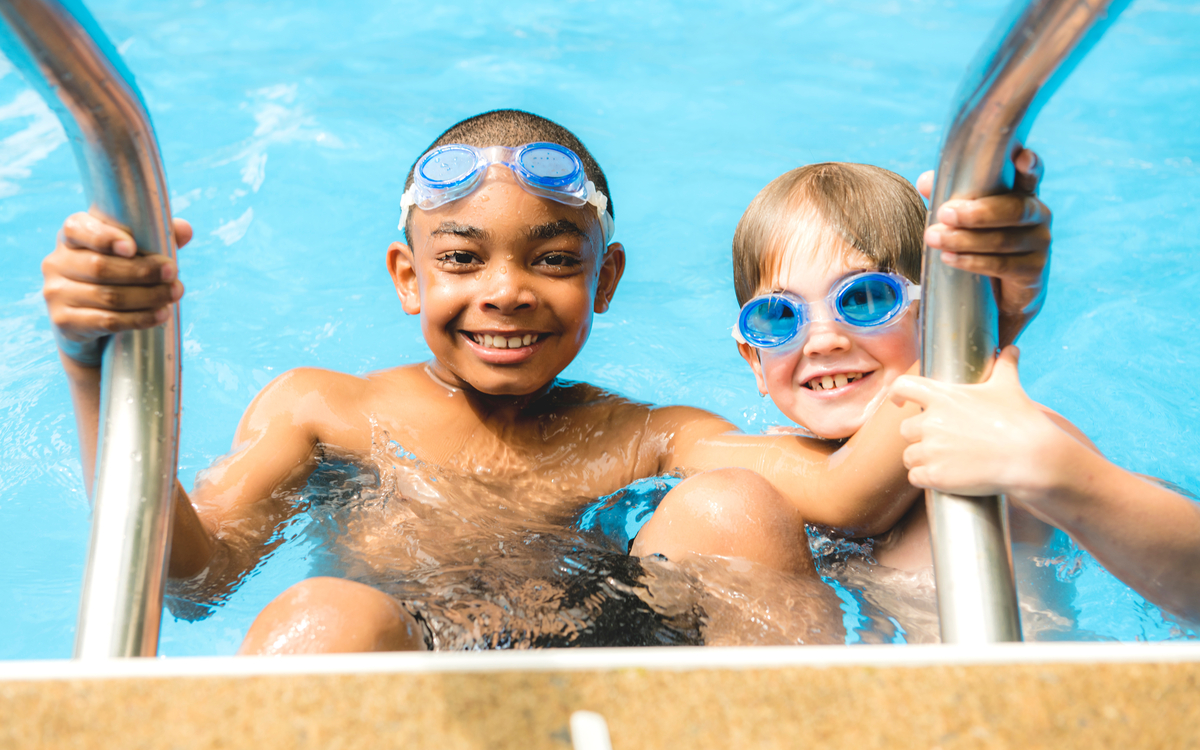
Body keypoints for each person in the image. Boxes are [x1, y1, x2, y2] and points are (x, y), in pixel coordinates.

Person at [41, 110, 1049, 652]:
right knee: (327, 623)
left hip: (626, 680)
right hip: (412, 697)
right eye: (465, 257)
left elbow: (843, 495)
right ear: (409, 276)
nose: (508, 292)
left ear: (604, 279)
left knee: (735, 505)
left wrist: (971, 310)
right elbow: (194, 582)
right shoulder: (325, 410)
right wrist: (104, 370)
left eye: (554, 259)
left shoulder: (644, 435)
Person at [648, 159, 1200, 628]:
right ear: (755, 362)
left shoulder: (1003, 440)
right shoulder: (787, 474)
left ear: (936, 314)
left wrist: (1057, 475)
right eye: (778, 316)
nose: (823, 340)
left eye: (864, 298)